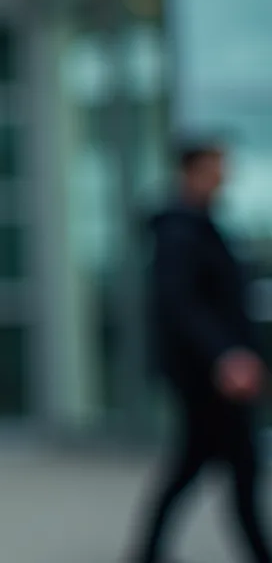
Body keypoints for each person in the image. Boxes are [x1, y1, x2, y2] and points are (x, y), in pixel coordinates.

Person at [131, 140, 270, 563]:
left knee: (201, 464)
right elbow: (180, 304)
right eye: (216, 168)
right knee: (235, 465)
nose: (223, 177)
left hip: (212, 368)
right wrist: (225, 355)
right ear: (190, 172)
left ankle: (149, 553)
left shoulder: (203, 225)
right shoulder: (179, 231)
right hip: (204, 373)